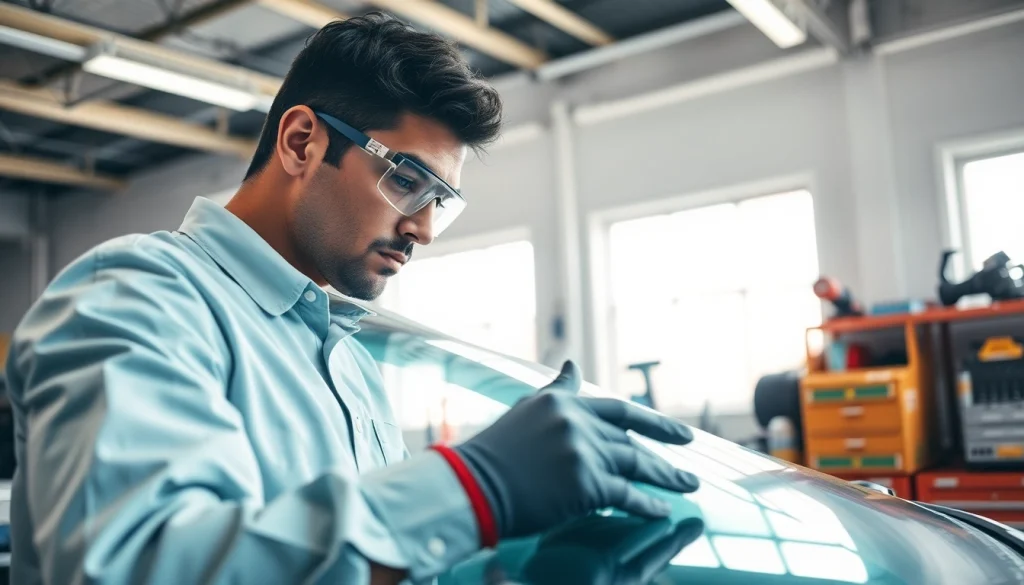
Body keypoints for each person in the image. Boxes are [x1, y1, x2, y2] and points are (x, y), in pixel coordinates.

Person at [4, 13, 699, 585]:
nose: (424, 229)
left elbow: (366, 562)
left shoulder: (348, 361)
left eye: (440, 201)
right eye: (408, 181)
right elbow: (138, 566)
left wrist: (514, 561)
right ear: (301, 142)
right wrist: (473, 486)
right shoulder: (135, 295)